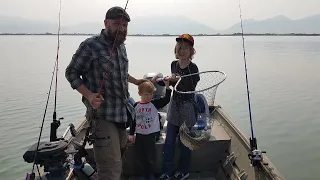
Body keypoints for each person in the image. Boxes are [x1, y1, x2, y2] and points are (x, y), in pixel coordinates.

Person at [65, 6, 144, 180]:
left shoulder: (121, 46)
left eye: (125, 25)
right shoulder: (90, 45)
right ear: (106, 23)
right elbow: (71, 72)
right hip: (103, 117)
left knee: (120, 156)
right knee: (111, 168)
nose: (122, 28)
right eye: (117, 24)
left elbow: (121, 74)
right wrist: (89, 95)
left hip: (122, 114)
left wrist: (137, 81)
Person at [159, 34, 200, 180]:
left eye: (186, 48)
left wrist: (177, 80)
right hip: (174, 107)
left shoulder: (193, 68)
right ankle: (167, 171)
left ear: (191, 52)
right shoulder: (173, 64)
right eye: (179, 48)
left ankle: (184, 171)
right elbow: (172, 84)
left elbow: (191, 85)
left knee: (185, 143)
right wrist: (166, 81)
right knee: (169, 142)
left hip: (187, 109)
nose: (182, 51)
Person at [128, 79, 172, 180]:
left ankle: (151, 174)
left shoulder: (154, 104)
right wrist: (131, 134)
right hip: (139, 135)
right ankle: (142, 175)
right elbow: (133, 121)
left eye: (151, 94)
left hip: (151, 135)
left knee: (150, 157)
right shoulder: (136, 106)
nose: (149, 97)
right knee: (140, 156)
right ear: (140, 93)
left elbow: (166, 99)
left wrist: (168, 87)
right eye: (146, 94)